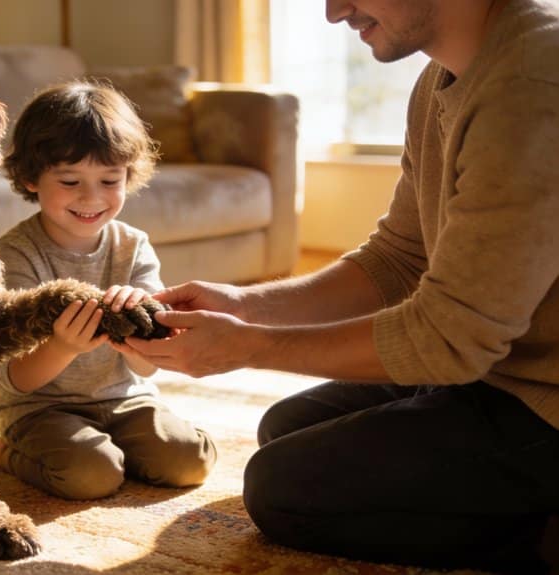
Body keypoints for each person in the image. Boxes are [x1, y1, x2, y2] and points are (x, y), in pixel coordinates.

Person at [123, 0, 559, 572]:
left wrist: (246, 348)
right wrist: (245, 307)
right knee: (284, 427)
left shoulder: (531, 81)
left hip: (545, 401)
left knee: (282, 490)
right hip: (500, 370)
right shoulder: (437, 79)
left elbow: (452, 336)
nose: (333, 12)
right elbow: (399, 259)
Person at [0, 81, 217, 501]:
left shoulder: (133, 247)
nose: (92, 198)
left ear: (130, 175)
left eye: (110, 180)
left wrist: (139, 336)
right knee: (92, 476)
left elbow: (148, 369)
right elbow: (16, 379)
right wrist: (64, 347)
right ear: (32, 178)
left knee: (189, 463)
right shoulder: (15, 256)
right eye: (70, 181)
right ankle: (2, 451)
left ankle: (122, 447)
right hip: (40, 410)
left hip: (127, 400)